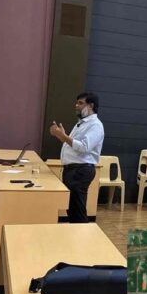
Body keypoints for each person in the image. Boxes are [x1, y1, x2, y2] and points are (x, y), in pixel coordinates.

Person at [49, 92, 104, 223]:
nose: (76, 105)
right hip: (73, 170)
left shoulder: (95, 125)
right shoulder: (82, 123)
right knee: (72, 208)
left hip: (80, 171)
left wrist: (63, 136)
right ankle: (75, 233)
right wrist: (60, 136)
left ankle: (82, 234)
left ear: (91, 106)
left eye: (80, 103)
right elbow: (73, 145)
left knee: (77, 209)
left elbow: (84, 147)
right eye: (77, 102)